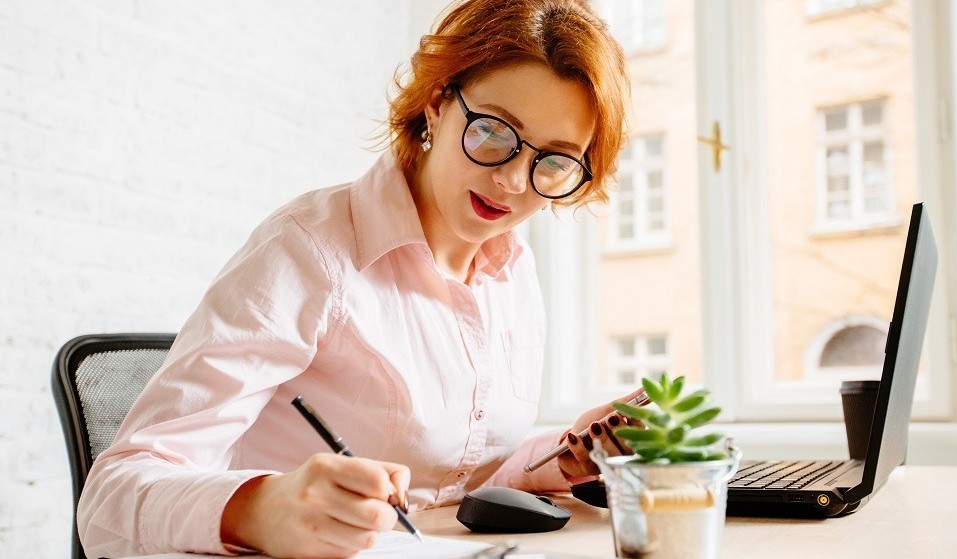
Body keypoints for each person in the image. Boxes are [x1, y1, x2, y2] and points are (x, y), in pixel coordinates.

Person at [78, 0, 632, 557]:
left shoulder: (514, 274)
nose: (513, 180)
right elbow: (111, 496)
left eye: (556, 162)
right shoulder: (309, 249)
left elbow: (456, 483)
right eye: (493, 130)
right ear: (438, 103)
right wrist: (263, 508)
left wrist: (559, 457)